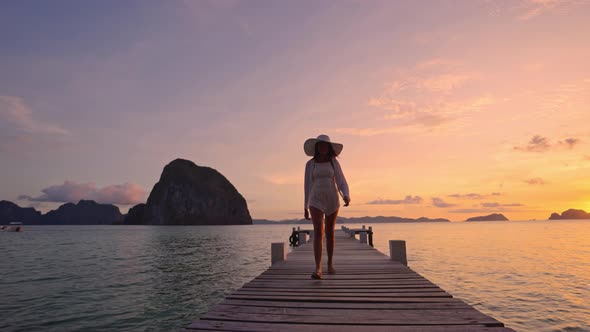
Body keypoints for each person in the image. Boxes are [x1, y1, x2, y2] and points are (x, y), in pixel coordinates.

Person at [303, 134, 350, 279]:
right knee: (318, 232)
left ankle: (329, 264)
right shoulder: (310, 164)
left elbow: (341, 180)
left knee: (330, 233)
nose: (322, 147)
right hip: (315, 199)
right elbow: (307, 185)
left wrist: (346, 194)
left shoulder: (333, 162)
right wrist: (305, 205)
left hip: (332, 198)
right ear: (317, 147)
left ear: (328, 147)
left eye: (325, 145)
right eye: (320, 145)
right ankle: (318, 268)